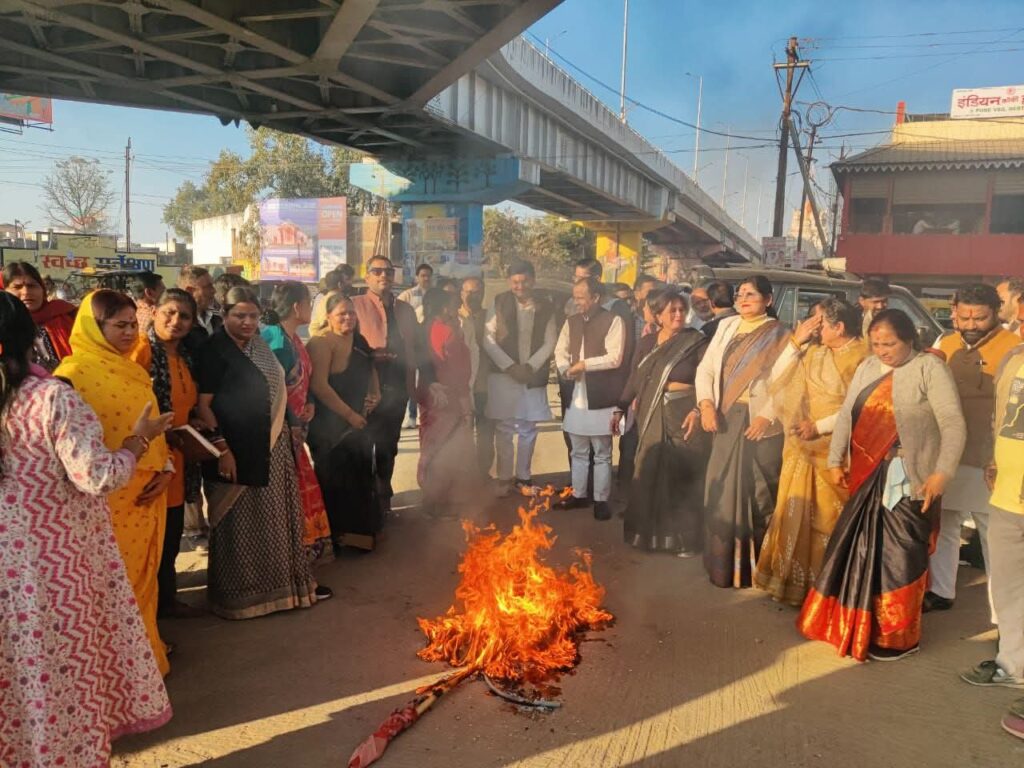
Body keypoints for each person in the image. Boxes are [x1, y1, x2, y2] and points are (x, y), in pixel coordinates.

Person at [0, 293, 174, 767]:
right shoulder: (52, 396)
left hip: (12, 567)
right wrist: (138, 442)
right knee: (59, 677)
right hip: (55, 566)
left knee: (16, 673)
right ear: (29, 338)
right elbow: (98, 476)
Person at [798, 309, 967, 662]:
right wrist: (834, 460)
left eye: (889, 343)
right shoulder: (868, 368)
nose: (882, 350)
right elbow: (847, 413)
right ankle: (860, 625)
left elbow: (952, 423)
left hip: (911, 477)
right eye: (876, 343)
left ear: (909, 340)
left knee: (900, 556)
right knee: (860, 549)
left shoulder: (928, 369)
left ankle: (897, 637)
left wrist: (942, 473)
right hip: (867, 471)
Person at [54, 290, 175, 676]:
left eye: (131, 324)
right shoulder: (69, 378)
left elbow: (151, 428)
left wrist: (166, 468)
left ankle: (147, 666)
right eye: (119, 325)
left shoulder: (134, 370)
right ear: (93, 326)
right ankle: (118, 677)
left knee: (143, 584)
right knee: (111, 592)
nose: (129, 332)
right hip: (104, 504)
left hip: (146, 495)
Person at [193, 286, 322, 618]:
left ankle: (280, 591)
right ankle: (242, 598)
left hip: (272, 446)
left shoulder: (260, 346)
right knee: (239, 523)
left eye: (252, 315)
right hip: (235, 449)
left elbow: (276, 390)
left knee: (275, 518)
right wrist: (223, 450)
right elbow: (202, 407)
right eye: (239, 315)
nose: (247, 322)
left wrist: (292, 425)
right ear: (225, 315)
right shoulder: (214, 351)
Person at [754, 299, 868, 605]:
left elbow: (857, 407)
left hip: (838, 447)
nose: (813, 328)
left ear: (839, 326)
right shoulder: (814, 351)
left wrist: (818, 426)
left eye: (819, 323)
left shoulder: (863, 357)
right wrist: (795, 342)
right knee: (795, 515)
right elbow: (778, 380)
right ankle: (792, 584)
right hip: (801, 445)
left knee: (829, 520)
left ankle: (828, 587)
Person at [927, 284, 1021, 613]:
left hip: (992, 459)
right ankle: (941, 591)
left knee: (994, 536)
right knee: (947, 524)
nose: (970, 324)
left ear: (996, 314)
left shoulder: (1015, 347)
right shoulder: (944, 343)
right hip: (950, 454)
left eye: (979, 318)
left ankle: (1002, 616)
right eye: (964, 316)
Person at [696, 275, 791, 588]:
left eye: (751, 294)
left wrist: (767, 416)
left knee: (760, 493)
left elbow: (786, 380)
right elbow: (707, 369)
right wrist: (707, 405)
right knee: (720, 487)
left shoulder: (779, 334)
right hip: (725, 417)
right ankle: (723, 567)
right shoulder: (727, 326)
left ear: (768, 299)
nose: (744, 298)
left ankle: (759, 569)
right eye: (740, 294)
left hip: (758, 423)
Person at [959, 342, 1024, 740]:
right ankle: (1013, 665)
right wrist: (991, 457)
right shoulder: (1013, 358)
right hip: (1006, 494)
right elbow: (1000, 419)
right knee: (1007, 589)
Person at [129, 288, 205, 619]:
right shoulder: (142, 351)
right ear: (155, 312)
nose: (176, 321)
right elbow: (132, 408)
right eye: (169, 313)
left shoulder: (186, 356)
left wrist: (194, 422)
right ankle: (151, 609)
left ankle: (166, 601)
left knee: (171, 533)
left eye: (184, 316)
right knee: (152, 537)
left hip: (179, 456)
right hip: (150, 457)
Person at [614, 288, 709, 551]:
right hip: (650, 413)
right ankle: (648, 537)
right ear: (658, 315)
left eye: (682, 310)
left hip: (683, 414)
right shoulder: (647, 343)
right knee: (648, 472)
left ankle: (685, 541)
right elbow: (635, 377)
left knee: (680, 476)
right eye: (672, 311)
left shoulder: (696, 341)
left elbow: (708, 380)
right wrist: (620, 407)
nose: (679, 315)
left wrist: (700, 411)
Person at [261, 282, 335, 568]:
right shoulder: (274, 341)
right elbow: (273, 391)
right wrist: (292, 419)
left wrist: (310, 401)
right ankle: (289, 564)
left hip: (294, 431)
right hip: (278, 435)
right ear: (296, 307)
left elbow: (304, 380)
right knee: (290, 498)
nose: (311, 308)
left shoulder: (292, 339)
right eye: (309, 302)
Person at [307, 294, 382, 550]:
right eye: (342, 314)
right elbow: (319, 385)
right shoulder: (321, 343)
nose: (348, 318)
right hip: (331, 426)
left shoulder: (358, 340)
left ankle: (360, 537)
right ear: (328, 317)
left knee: (361, 477)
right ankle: (334, 539)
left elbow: (370, 366)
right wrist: (349, 415)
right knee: (335, 481)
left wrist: (375, 394)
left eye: (351, 313)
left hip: (360, 422)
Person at [554, 277, 627, 520]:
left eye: (581, 297)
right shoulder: (571, 321)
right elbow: (560, 350)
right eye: (575, 297)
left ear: (596, 297)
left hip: (602, 394)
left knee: (602, 451)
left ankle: (601, 500)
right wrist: (566, 368)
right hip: (576, 394)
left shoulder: (613, 320)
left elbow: (615, 357)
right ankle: (578, 494)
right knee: (578, 450)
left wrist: (584, 365)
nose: (576, 302)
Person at [483, 261, 557, 496]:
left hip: (531, 375)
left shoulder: (546, 305)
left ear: (533, 280)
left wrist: (531, 366)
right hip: (504, 374)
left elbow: (550, 341)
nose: (520, 286)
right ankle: (505, 477)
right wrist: (510, 366)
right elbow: (488, 339)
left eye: (524, 281)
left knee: (528, 428)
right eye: (515, 282)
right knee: (504, 428)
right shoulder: (499, 302)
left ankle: (523, 477)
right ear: (509, 283)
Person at [352, 255, 418, 511]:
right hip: (366, 388)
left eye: (388, 272)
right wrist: (371, 355)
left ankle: (384, 497)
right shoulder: (354, 305)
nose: (383, 276)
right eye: (377, 271)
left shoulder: (405, 309)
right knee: (363, 445)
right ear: (367, 276)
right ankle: (365, 501)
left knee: (389, 445)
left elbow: (415, 348)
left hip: (398, 386)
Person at [417, 287, 477, 515]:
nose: (457, 309)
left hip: (432, 396)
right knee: (448, 449)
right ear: (444, 307)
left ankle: (433, 499)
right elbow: (457, 369)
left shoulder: (426, 329)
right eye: (454, 304)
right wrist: (464, 402)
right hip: (448, 398)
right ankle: (442, 501)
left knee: (432, 447)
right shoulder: (447, 331)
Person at [2, 260, 76, 371]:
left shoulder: (66, 314)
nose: (26, 292)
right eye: (17, 287)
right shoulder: (4, 327)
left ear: (43, 290)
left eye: (32, 286)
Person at [459, 276, 494, 477]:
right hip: (462, 386)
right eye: (468, 291)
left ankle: (483, 473)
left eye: (477, 291)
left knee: (486, 432)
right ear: (461, 293)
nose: (473, 296)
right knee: (462, 433)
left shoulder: (491, 317)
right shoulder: (454, 317)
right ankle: (465, 475)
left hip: (485, 384)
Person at [399, 263, 433, 429]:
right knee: (412, 380)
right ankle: (411, 416)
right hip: (412, 343)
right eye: (423, 275)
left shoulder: (435, 295)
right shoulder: (408, 295)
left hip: (429, 344)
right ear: (417, 277)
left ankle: (424, 414)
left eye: (428, 275)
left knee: (427, 380)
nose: (426, 278)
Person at [310, 264, 355, 337]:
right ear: (340, 284)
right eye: (347, 279)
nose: (350, 283)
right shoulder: (325, 298)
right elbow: (325, 324)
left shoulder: (339, 297)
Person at [178, 265, 220, 340]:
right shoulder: (177, 322)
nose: (214, 291)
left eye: (212, 286)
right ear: (190, 291)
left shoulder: (218, 318)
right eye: (208, 287)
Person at [130, 269, 166, 335]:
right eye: (163, 290)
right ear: (149, 293)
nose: (166, 294)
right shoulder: (155, 317)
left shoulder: (130, 311)